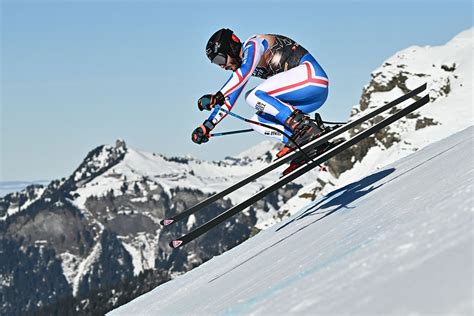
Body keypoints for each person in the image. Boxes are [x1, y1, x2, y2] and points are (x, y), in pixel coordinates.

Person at [192, 28, 330, 165]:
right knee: (256, 122)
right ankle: (301, 143)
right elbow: (229, 98)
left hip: (312, 77)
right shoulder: (243, 69)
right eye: (216, 63)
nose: (221, 66)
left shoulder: (253, 44)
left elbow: (243, 73)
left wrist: (218, 95)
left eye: (219, 59)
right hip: (309, 97)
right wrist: (208, 125)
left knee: (253, 96)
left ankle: (304, 128)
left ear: (231, 48)